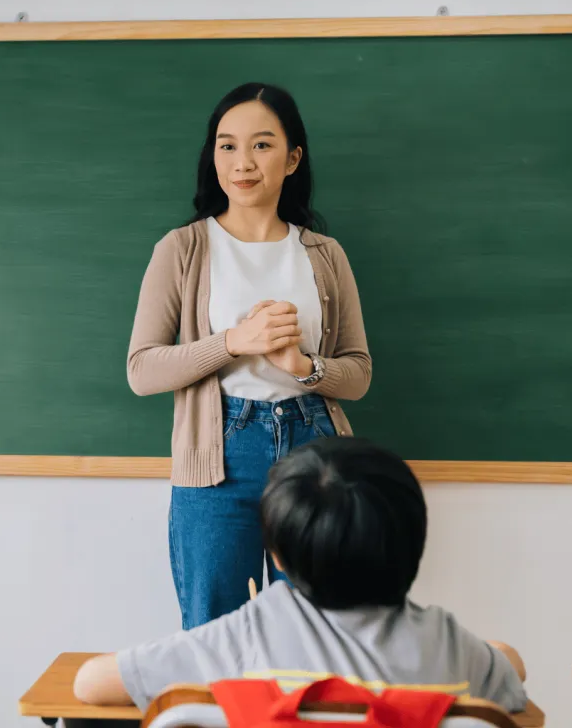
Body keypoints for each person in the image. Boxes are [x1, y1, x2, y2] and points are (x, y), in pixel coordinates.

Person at [126, 83, 371, 629]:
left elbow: (358, 374)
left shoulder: (325, 255)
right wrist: (234, 342)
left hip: (316, 455)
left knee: (316, 634)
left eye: (261, 145)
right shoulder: (182, 249)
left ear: (293, 158)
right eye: (226, 145)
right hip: (218, 460)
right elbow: (142, 369)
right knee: (214, 634)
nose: (242, 162)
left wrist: (303, 368)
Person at [73, 438, 528, 714]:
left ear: (278, 557)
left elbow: (90, 684)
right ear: (414, 542)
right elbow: (512, 671)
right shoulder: (447, 645)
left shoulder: (249, 634)